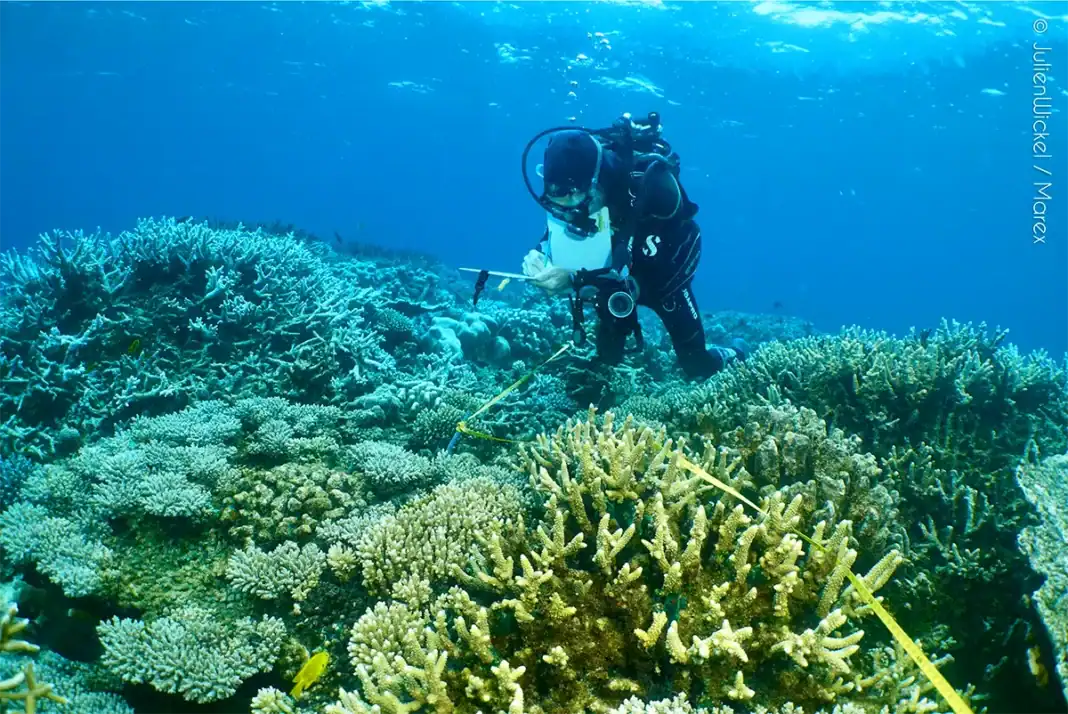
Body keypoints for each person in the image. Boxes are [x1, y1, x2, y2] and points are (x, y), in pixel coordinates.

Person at [519, 112, 748, 379]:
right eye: (557, 202)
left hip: (667, 270)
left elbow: (677, 249)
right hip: (614, 274)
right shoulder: (573, 198)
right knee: (608, 357)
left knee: (697, 366)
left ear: (596, 181)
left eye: (574, 199)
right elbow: (559, 226)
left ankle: (736, 352)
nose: (569, 212)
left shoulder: (656, 187)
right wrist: (541, 254)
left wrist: (577, 279)